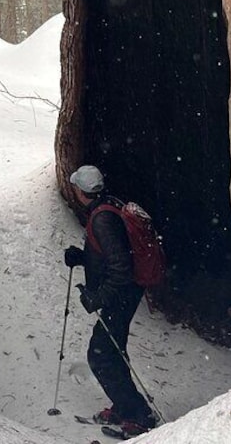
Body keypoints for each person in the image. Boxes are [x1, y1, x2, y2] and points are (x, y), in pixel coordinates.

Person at [64, 165, 156, 437]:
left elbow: (120, 267)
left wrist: (97, 298)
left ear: (82, 191)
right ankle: (124, 407)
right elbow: (112, 253)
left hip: (121, 294)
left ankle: (140, 416)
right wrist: (80, 257)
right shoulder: (108, 205)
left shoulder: (102, 219)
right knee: (111, 352)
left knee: (101, 355)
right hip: (123, 293)